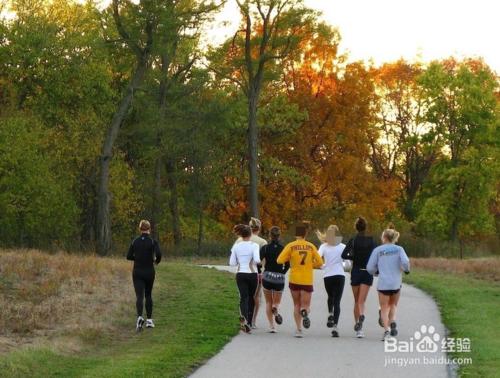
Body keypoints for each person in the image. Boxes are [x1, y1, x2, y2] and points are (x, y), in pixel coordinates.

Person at [277, 224, 323, 338]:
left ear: (296, 234)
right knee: (305, 305)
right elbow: (320, 262)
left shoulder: (291, 246)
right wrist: (310, 265)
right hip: (307, 279)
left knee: (296, 304)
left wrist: (290, 259)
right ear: (305, 234)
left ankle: (298, 329)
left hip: (294, 279)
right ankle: (305, 312)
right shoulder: (311, 246)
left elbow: (279, 260)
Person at [367, 228, 410, 341]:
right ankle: (393, 321)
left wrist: (375, 272)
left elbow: (370, 267)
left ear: (384, 237)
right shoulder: (399, 249)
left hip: (383, 284)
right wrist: (406, 270)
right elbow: (405, 262)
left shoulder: (378, 250)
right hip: (396, 283)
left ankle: (386, 330)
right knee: (393, 305)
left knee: (384, 308)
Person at [341, 217, 377, 338]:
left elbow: (343, 254)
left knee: (356, 301)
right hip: (367, 272)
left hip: (356, 271)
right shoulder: (371, 241)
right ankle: (361, 316)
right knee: (362, 301)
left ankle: (358, 327)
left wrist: (352, 256)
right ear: (365, 227)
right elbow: (375, 255)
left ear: (356, 227)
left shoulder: (353, 240)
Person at [126, 220, 162, 332]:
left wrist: (137, 258)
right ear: (149, 229)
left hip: (137, 272)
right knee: (148, 295)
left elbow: (128, 256)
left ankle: (140, 317)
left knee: (139, 296)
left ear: (140, 229)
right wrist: (156, 261)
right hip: (149, 271)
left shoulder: (135, 241)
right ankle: (149, 321)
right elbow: (159, 254)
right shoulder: (152, 241)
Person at [234, 217, 267, 328]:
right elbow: (263, 260)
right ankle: (252, 321)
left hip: (241, 271)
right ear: (259, 228)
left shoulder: (239, 240)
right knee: (255, 297)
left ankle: (243, 318)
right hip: (256, 272)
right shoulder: (262, 242)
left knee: (243, 297)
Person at [229, 224, 261, 333]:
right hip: (252, 274)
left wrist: (240, 260)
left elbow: (232, 263)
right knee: (251, 297)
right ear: (251, 234)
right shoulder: (255, 245)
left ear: (241, 235)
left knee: (243, 297)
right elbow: (257, 260)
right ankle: (250, 322)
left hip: (240, 274)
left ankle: (243, 317)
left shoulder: (236, 246)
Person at [316, 225, 346, 337]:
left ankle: (330, 313)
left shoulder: (324, 246)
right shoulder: (343, 246)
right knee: (337, 301)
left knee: (330, 297)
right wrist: (341, 264)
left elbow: (318, 260)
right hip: (339, 275)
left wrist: (323, 266)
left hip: (328, 276)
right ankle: (335, 327)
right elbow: (347, 263)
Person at [260, 226, 289, 333]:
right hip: (279, 277)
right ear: (279, 236)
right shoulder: (283, 249)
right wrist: (282, 273)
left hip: (267, 276)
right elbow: (287, 264)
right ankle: (275, 308)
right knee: (276, 302)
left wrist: (261, 270)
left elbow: (259, 260)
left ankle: (272, 326)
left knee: (268, 302)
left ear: (270, 236)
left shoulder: (265, 248)